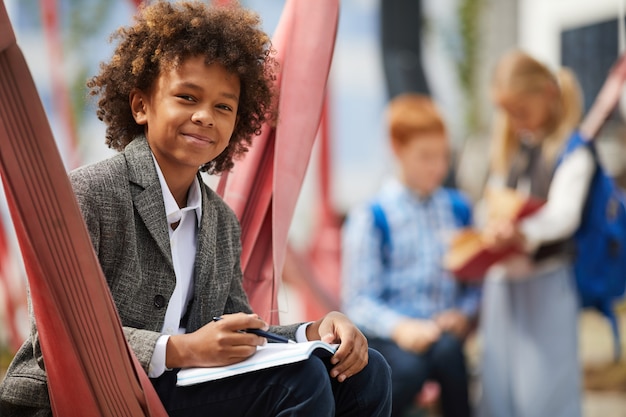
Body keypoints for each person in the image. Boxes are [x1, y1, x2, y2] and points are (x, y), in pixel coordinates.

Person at [0, 2, 392, 416]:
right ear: (141, 107)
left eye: (224, 106)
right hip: (92, 394)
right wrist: (179, 350)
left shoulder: (220, 219)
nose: (205, 116)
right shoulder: (88, 193)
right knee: (298, 381)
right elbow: (54, 336)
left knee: (367, 372)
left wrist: (314, 331)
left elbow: (242, 331)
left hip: (183, 390)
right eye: (187, 97)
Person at [341, 93, 481, 417]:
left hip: (442, 336)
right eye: (426, 156)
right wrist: (402, 328)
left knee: (449, 352)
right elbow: (358, 300)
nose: (438, 167)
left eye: (443, 156)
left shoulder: (458, 209)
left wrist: (463, 313)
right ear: (397, 149)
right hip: (391, 339)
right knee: (407, 369)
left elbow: (475, 282)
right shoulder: (372, 216)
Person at [476, 49, 591, 417]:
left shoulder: (573, 152)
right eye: (507, 113)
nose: (514, 121)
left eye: (520, 111)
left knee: (546, 395)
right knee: (498, 390)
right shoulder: (510, 153)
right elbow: (489, 204)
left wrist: (521, 232)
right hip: (503, 285)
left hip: (546, 281)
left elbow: (564, 216)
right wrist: (491, 228)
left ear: (547, 94)